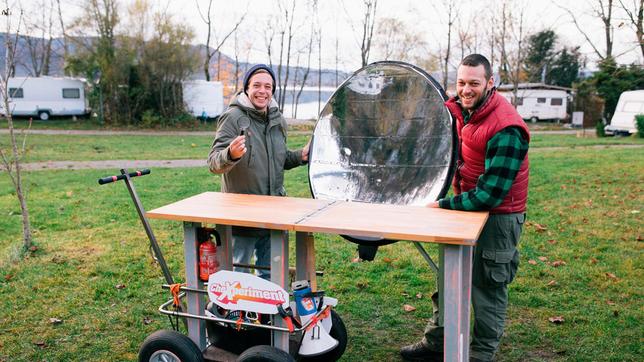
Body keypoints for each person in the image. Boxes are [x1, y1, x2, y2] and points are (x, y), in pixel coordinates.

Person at [400, 54, 530, 362]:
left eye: (474, 83)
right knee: (449, 277)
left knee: (487, 287)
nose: (466, 89)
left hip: (498, 218)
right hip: (465, 209)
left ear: (490, 83)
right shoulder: (463, 111)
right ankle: (437, 341)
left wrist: (443, 205)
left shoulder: (506, 128)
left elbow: (491, 195)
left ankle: (481, 353)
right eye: (461, 83)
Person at [207, 64, 310, 280]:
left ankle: (266, 314)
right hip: (242, 215)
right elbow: (214, 162)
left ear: (273, 90)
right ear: (246, 88)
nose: (262, 91)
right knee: (238, 275)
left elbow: (277, 159)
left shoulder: (277, 119)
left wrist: (301, 155)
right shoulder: (232, 117)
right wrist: (231, 154)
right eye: (256, 85)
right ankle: (236, 312)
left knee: (271, 275)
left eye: (268, 86)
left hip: (274, 212)